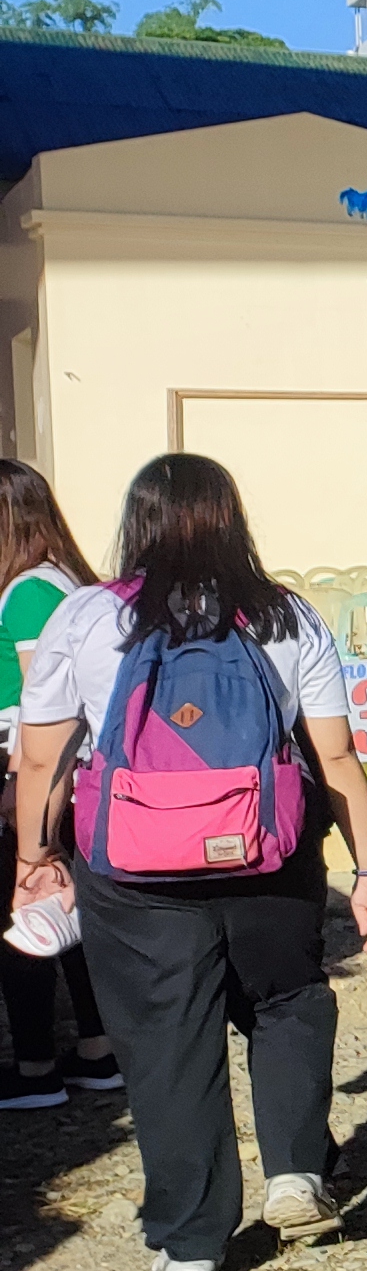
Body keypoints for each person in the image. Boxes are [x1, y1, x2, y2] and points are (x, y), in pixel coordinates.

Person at [7, 456, 367, 1271]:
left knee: (165, 1036)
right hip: (269, 849)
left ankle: (192, 1244)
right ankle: (296, 1172)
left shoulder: (87, 617)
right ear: (233, 518)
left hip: (134, 866)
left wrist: (33, 862)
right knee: (287, 999)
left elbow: (41, 755)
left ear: (137, 521)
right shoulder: (287, 615)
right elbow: (335, 752)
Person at [0, 462, 117, 1108]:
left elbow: (44, 704)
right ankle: (93, 1054)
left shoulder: (31, 592)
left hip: (38, 776)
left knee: (25, 914)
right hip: (51, 776)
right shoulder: (50, 584)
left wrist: (22, 789)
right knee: (64, 916)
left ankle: (39, 1064)